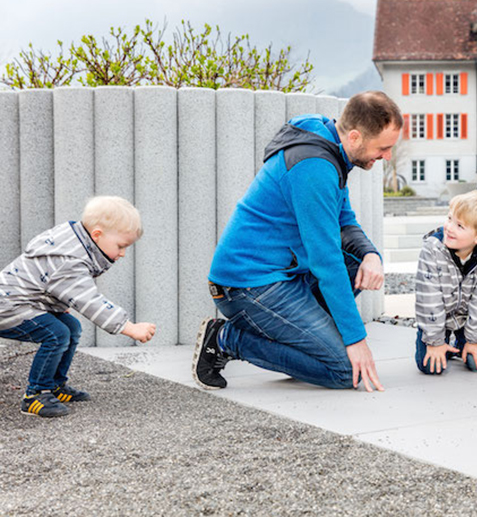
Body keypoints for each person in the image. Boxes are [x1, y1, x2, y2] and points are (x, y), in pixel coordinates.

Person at [192, 91, 402, 392]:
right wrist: (356, 340)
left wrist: (371, 254)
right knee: (342, 371)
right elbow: (326, 260)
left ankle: (308, 347)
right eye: (383, 148)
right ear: (355, 137)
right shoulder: (314, 167)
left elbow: (344, 221)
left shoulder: (330, 146)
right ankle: (226, 339)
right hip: (248, 286)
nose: (387, 157)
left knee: (358, 263)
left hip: (284, 274)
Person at [0, 196, 157, 417]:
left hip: (23, 302)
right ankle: (36, 395)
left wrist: (56, 304)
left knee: (71, 327)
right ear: (97, 235)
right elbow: (89, 300)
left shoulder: (73, 243)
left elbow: (47, 281)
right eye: (121, 246)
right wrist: (128, 327)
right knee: (56, 334)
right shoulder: (71, 258)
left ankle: (54, 385)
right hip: (8, 306)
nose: (122, 253)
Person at [414, 190, 477, 375]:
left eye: (460, 226)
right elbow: (428, 299)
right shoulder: (432, 249)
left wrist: (475, 339)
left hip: (466, 319)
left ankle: (461, 342)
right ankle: (444, 342)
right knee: (430, 366)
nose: (449, 227)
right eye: (449, 219)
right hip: (437, 318)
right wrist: (435, 342)